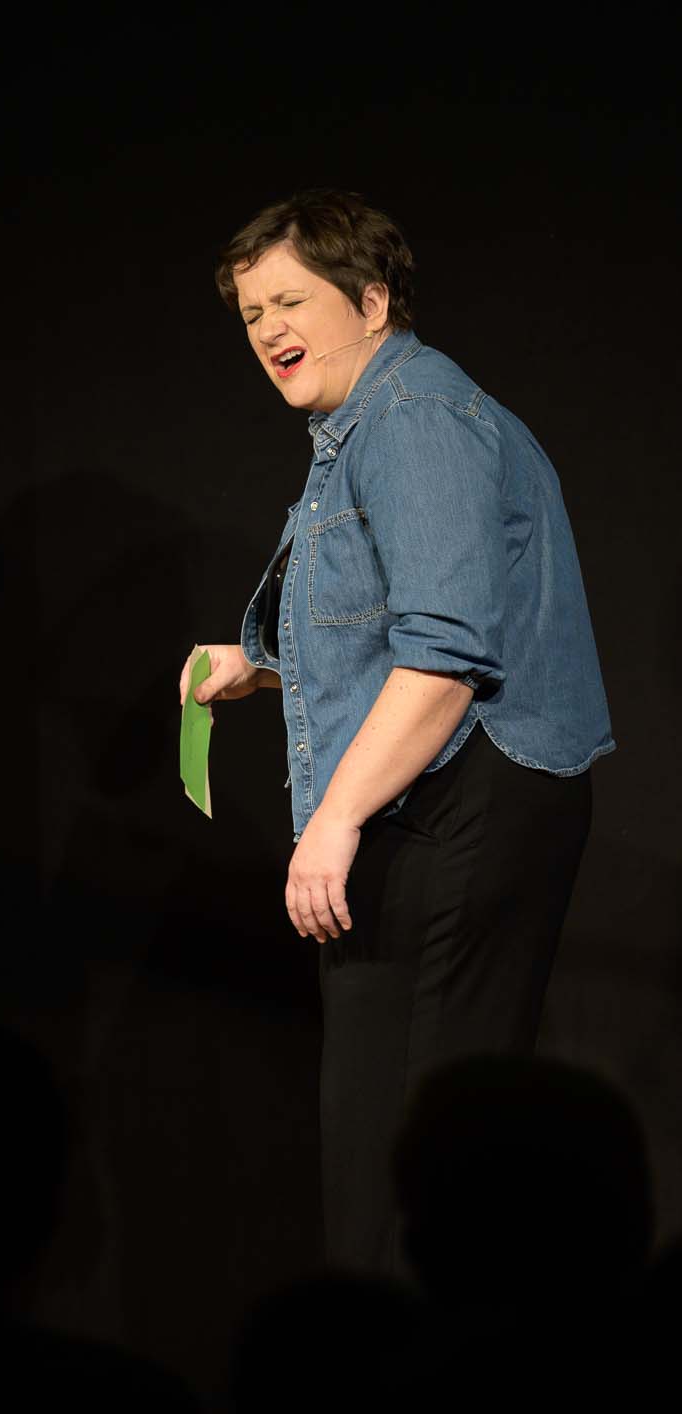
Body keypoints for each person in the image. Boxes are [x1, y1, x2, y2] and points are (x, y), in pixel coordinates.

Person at [179, 189, 612, 1274]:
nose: (268, 330)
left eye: (290, 301)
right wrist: (260, 664)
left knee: (410, 1151)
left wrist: (331, 821)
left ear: (370, 299)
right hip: (436, 800)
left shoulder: (412, 417)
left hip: (460, 804)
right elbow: (393, 617)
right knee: (390, 1133)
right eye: (249, 313)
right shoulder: (369, 420)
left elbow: (445, 656)